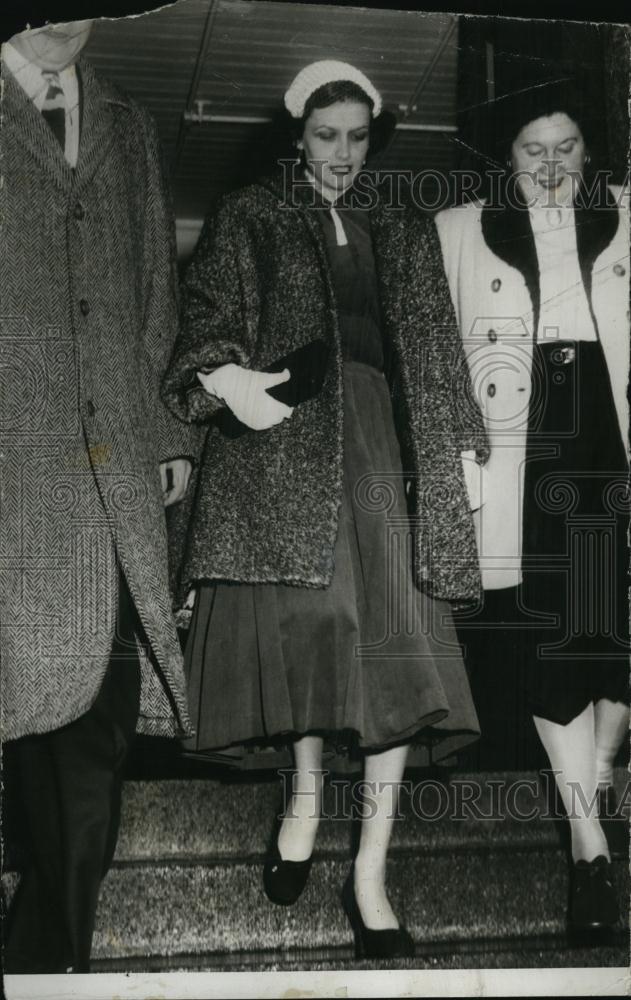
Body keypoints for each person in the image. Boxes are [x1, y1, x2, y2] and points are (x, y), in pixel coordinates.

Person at [163, 60, 487, 959]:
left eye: (355, 136)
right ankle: (303, 796)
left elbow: (433, 340)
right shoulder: (248, 213)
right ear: (295, 136)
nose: (340, 154)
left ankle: (370, 875)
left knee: (398, 654)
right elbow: (207, 318)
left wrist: (461, 445)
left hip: (387, 449)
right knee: (315, 630)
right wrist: (225, 372)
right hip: (288, 459)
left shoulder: (402, 222)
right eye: (323, 135)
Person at [1, 21, 194, 973]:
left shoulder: (129, 124)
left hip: (110, 478)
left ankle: (50, 962)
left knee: (96, 722)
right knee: (32, 721)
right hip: (11, 474)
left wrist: (165, 433)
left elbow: (157, 285)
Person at [436, 81, 629, 932]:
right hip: (527, 432)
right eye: (530, 150)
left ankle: (595, 793)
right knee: (559, 630)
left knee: (610, 623)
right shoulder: (457, 231)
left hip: (611, 418)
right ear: (503, 159)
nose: (550, 167)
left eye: (565, 148)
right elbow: (438, 364)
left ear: (587, 153)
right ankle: (590, 843)